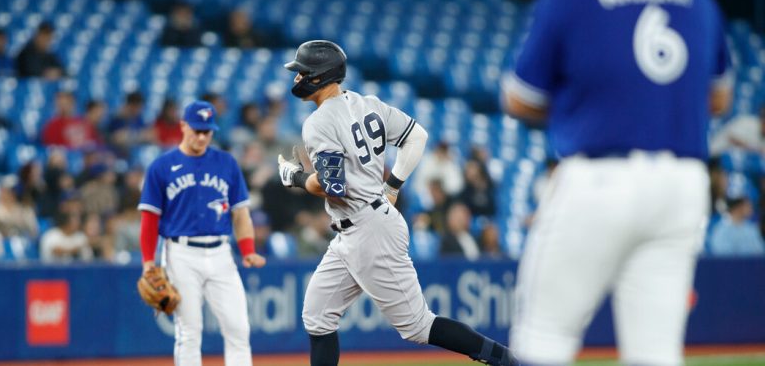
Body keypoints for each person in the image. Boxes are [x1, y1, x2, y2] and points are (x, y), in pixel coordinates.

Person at [503, 0, 733, 365]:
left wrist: (595, 104)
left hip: (600, 176)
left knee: (544, 335)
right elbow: (719, 99)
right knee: (656, 351)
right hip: (683, 183)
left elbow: (520, 97)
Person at [278, 40, 516, 366]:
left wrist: (296, 177)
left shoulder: (318, 123)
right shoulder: (368, 103)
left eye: (302, 72)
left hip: (368, 230)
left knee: (418, 325)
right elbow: (417, 136)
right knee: (317, 315)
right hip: (360, 225)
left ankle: (506, 359)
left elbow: (334, 186)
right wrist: (392, 186)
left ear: (318, 76)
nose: (297, 78)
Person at [138, 100, 266, 366]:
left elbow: (240, 214)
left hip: (221, 253)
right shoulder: (161, 166)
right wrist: (148, 262)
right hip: (180, 253)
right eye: (196, 130)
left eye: (206, 131)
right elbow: (150, 219)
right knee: (189, 332)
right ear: (183, 126)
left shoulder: (227, 163)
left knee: (239, 328)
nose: (201, 136)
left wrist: (248, 250)